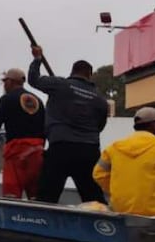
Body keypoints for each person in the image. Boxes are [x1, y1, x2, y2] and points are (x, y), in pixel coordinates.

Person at [27, 46, 108, 203]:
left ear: (72, 71)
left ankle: (43, 217)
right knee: (94, 199)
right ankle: (100, 218)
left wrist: (37, 59)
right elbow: (100, 125)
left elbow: (33, 79)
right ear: (89, 75)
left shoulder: (59, 85)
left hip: (61, 148)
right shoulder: (100, 98)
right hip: (89, 150)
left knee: (46, 199)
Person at [0, 67, 46, 198]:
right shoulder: (38, 100)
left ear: (11, 82)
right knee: (36, 194)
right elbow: (45, 126)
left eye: (5, 81)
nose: (4, 85)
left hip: (16, 151)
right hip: (37, 151)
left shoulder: (6, 99)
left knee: (11, 193)